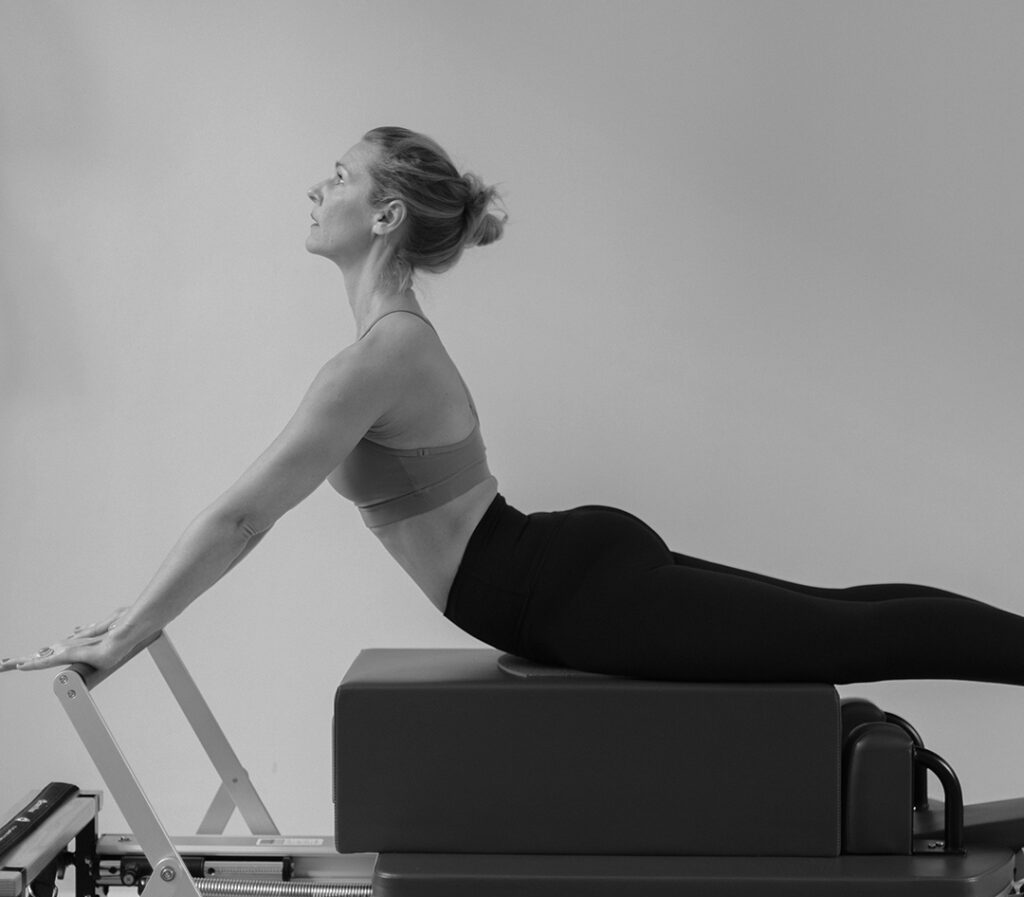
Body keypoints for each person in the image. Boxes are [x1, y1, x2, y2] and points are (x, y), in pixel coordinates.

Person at [4, 126, 1024, 685]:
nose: (316, 191)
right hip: (558, 571)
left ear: (386, 213)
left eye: (337, 178)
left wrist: (129, 629)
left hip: (566, 591)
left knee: (840, 637)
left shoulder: (380, 355)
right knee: (842, 619)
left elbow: (243, 515)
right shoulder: (377, 348)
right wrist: (131, 619)